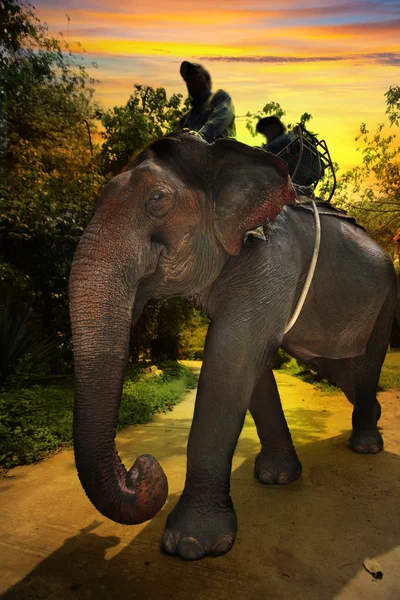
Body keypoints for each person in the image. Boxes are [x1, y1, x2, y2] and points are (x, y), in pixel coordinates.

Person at [178, 61, 236, 142]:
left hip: (221, 152)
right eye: (187, 79)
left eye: (195, 73)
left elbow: (220, 118)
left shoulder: (220, 97)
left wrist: (201, 136)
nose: (191, 79)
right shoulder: (185, 119)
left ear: (207, 78)